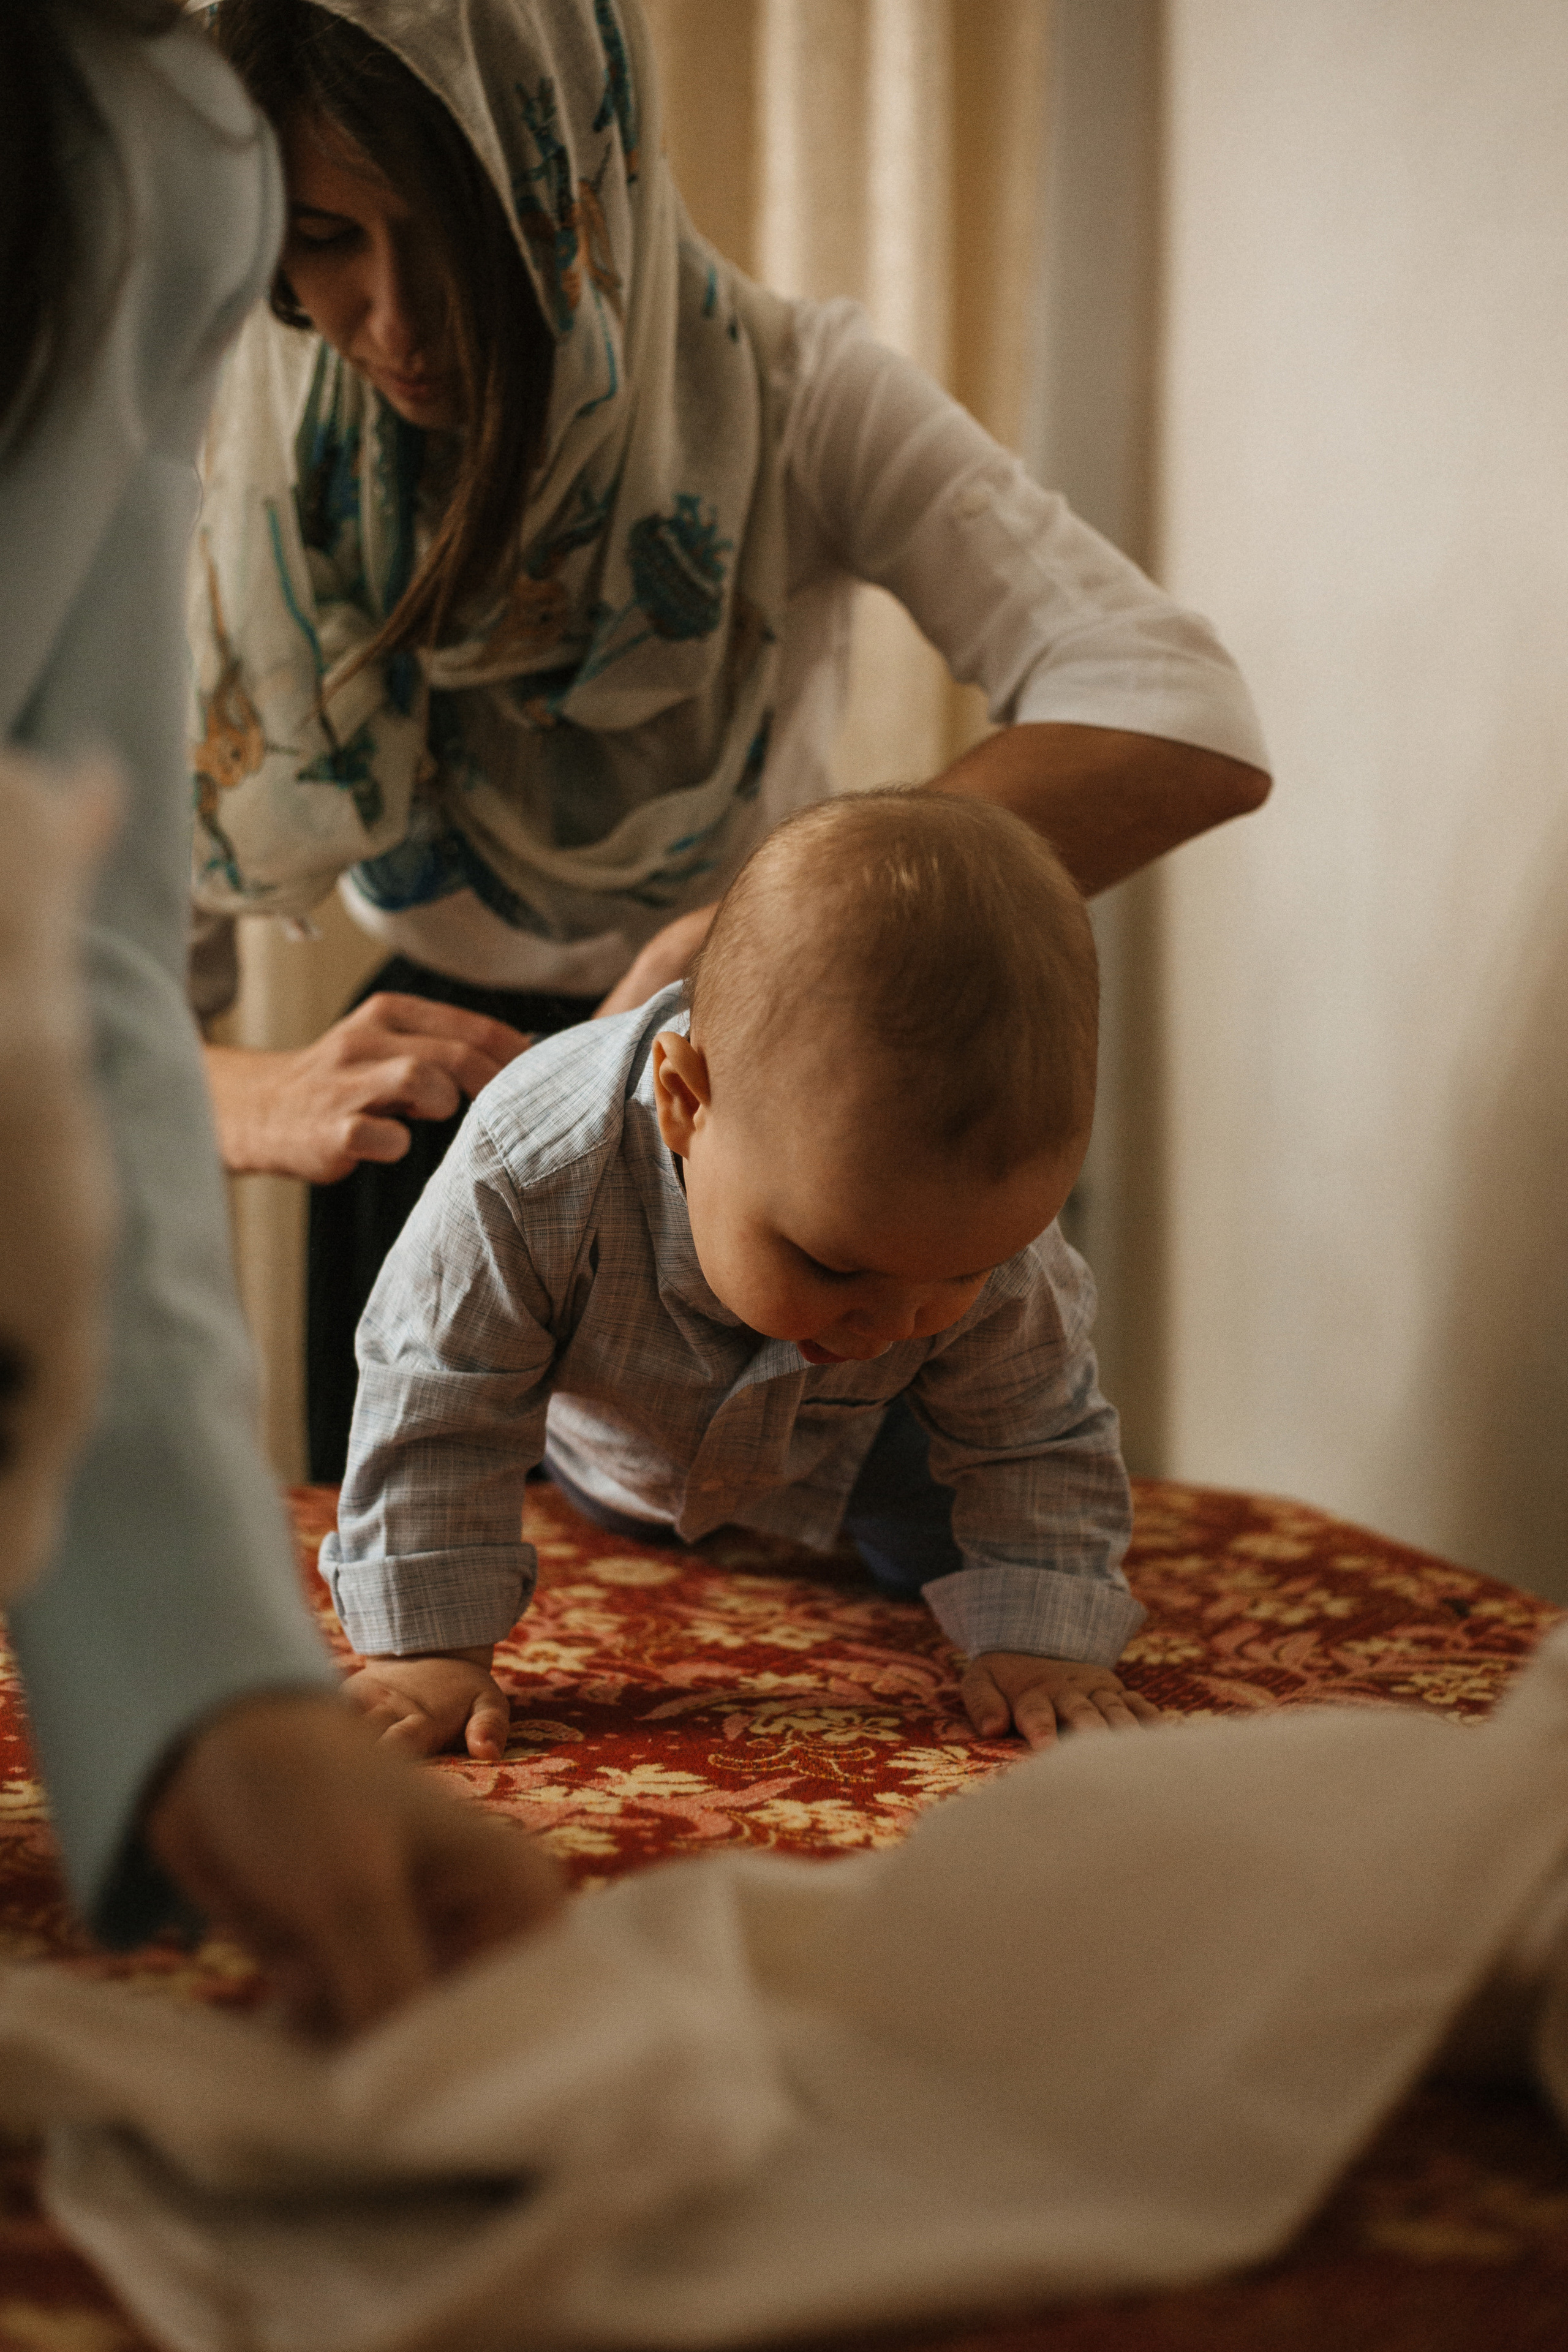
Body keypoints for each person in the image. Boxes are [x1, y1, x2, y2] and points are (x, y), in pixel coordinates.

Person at [189, 0, 1272, 1480]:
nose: (392, 319)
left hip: (770, 1139)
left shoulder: (791, 397)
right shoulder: (232, 475)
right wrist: (255, 1096)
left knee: (831, 1611)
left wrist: (774, 929)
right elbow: (91, 992)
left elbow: (1177, 713)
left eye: (464, 233)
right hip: (422, 1144)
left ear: (579, 180)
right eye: (322, 237)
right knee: (423, 1604)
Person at [1, 0, 560, 2037]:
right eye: (339, 248)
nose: (389, 315)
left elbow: (69, 937)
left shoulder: (160, 156)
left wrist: (209, 1681)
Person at [325, 791, 1161, 1757]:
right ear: (686, 1101)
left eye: (959, 1274)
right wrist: (429, 1649)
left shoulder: (995, 1236)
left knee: (962, 1566)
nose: (888, 1324)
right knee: (583, 1491)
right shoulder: (531, 1167)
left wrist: (1043, 1639)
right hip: (613, 1448)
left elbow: (1034, 1429)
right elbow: (441, 1398)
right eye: (834, 1263)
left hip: (872, 1445)